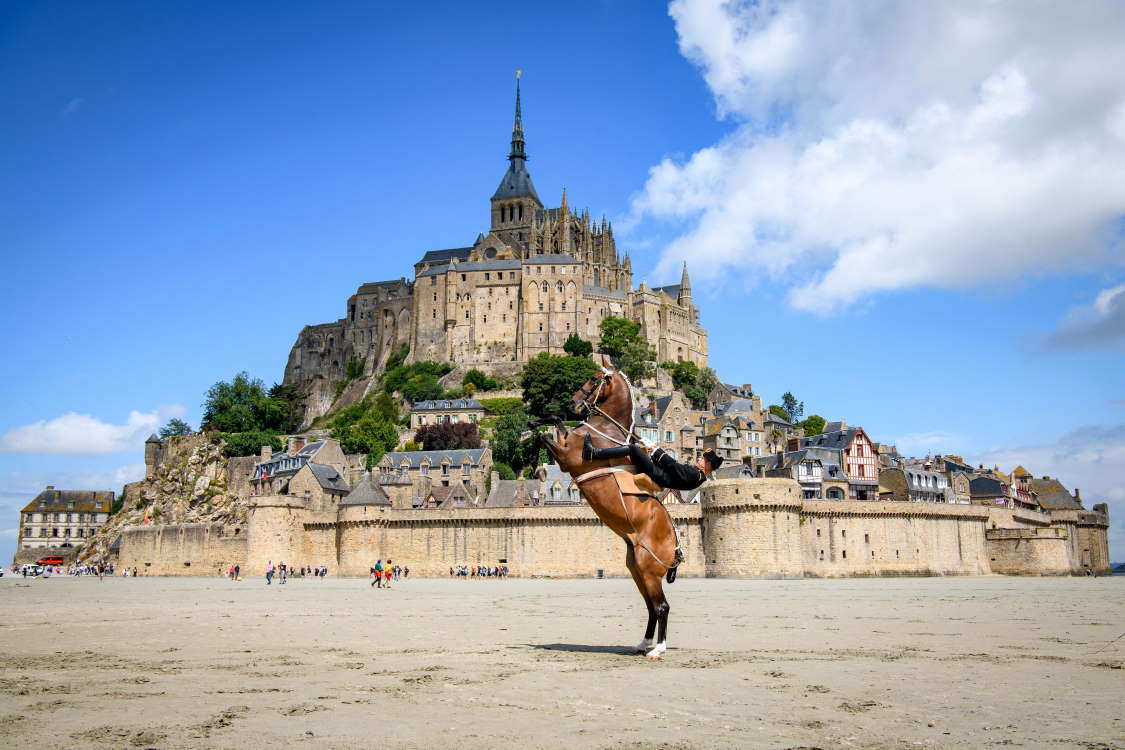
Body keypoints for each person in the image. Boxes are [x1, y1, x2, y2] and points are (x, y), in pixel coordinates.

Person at [583, 436, 722, 492]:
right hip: (659, 472)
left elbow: (673, 466)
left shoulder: (696, 475)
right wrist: (652, 453)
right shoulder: (697, 476)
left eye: (702, 459)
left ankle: (593, 453)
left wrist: (656, 450)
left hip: (657, 474)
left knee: (632, 449)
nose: (698, 459)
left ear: (708, 465)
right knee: (635, 447)